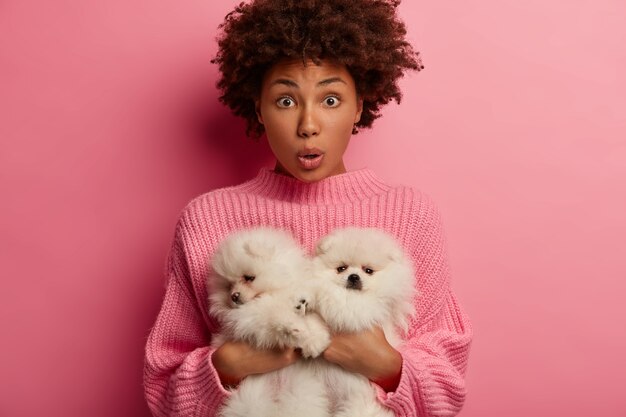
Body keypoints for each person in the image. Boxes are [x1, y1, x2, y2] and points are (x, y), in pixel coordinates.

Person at [143, 0, 473, 416]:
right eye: (285, 101)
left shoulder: (411, 215)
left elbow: (447, 390)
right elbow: (163, 390)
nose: (308, 124)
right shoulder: (207, 219)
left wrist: (384, 364)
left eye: (331, 99)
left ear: (360, 104)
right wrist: (230, 364)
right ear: (258, 107)